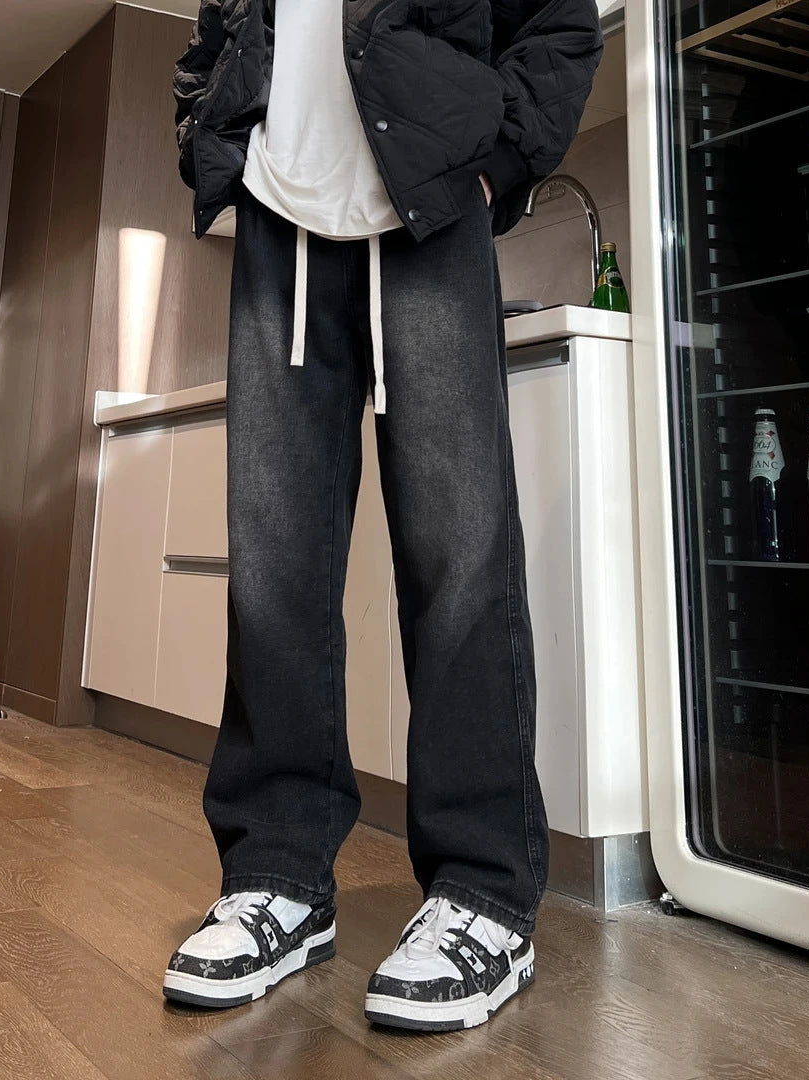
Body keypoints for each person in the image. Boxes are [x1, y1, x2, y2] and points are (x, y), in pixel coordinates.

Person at [163, 0, 603, 1033]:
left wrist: (496, 165)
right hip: (280, 225)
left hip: (432, 212)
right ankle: (277, 875)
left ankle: (484, 894)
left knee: (460, 562)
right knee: (275, 568)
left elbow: (559, 25)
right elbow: (211, 46)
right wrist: (211, 143)